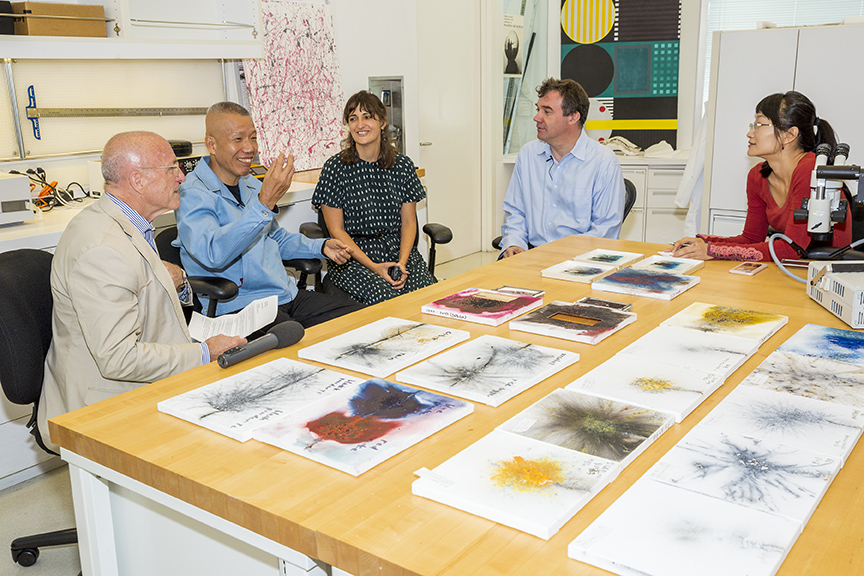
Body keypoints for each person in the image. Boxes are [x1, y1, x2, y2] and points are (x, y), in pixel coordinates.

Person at [38, 131, 246, 452]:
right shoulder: (103, 249)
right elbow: (118, 360)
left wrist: (171, 281)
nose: (182, 176)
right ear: (138, 180)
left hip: (136, 380)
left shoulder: (126, 223)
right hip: (104, 403)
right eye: (172, 169)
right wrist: (205, 353)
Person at [176, 102, 364, 327]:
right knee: (296, 342)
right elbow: (214, 254)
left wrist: (320, 247)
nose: (249, 148)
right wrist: (263, 204)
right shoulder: (191, 193)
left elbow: (276, 239)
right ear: (211, 144)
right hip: (239, 307)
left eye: (253, 138)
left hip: (283, 296)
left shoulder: (250, 185)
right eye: (238, 139)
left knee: (362, 321)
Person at [672, 91, 850, 261]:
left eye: (758, 125)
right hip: (794, 268)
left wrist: (714, 251)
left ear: (789, 135)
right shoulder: (758, 176)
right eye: (752, 126)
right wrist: (706, 242)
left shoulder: (810, 170)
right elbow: (751, 238)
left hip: (827, 271)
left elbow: (791, 249)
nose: (750, 133)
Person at [312, 91, 435, 305]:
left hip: (399, 252)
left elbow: (408, 222)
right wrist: (375, 267)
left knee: (429, 297)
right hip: (354, 257)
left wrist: (402, 264)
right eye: (353, 118)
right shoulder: (335, 169)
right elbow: (336, 231)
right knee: (386, 300)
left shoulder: (403, 166)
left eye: (367, 116)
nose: (360, 124)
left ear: (382, 122)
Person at [499, 77, 625, 258]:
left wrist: (562, 257)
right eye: (538, 109)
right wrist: (514, 242)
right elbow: (515, 212)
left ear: (573, 117)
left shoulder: (603, 162)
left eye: (547, 111)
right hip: (531, 255)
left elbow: (605, 230)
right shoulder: (528, 155)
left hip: (579, 259)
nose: (536, 117)